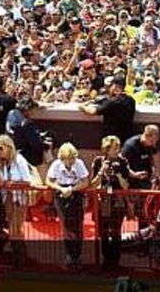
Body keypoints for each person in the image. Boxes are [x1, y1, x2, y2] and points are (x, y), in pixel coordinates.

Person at [89, 134, 137, 269]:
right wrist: (101, 172)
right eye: (114, 148)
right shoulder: (99, 161)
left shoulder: (123, 162)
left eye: (118, 147)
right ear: (107, 149)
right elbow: (92, 185)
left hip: (118, 200)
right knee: (104, 231)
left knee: (116, 230)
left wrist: (118, 175)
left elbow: (126, 186)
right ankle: (105, 260)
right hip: (104, 199)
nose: (117, 150)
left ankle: (115, 260)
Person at [46, 142, 89, 267]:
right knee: (66, 225)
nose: (70, 162)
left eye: (72, 159)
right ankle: (69, 255)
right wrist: (60, 188)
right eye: (67, 159)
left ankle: (77, 255)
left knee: (78, 225)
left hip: (75, 193)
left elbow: (85, 181)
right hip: (61, 194)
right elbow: (48, 181)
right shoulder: (56, 165)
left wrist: (72, 189)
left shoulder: (79, 163)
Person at [0, 134, 32, 265]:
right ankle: (21, 256)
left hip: (19, 197)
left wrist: (12, 184)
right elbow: (0, 184)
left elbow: (28, 181)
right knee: (12, 228)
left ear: (9, 147)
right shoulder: (0, 163)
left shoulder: (19, 160)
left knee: (15, 229)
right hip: (7, 198)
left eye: (1, 148)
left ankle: (20, 258)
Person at [80, 75, 136, 141]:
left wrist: (81, 106)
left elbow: (91, 112)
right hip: (126, 138)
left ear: (115, 87)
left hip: (111, 140)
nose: (109, 89)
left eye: (110, 86)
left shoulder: (111, 102)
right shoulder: (131, 101)